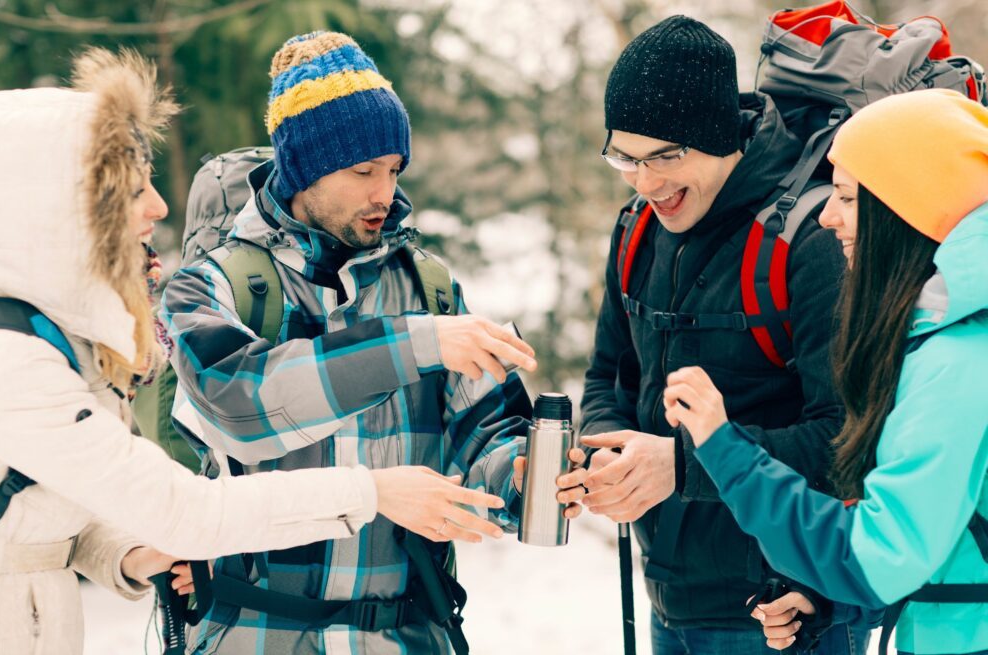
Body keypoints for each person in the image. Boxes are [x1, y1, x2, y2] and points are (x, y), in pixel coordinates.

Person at [0, 48, 511, 655]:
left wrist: (126, 550)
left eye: (394, 169)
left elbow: (33, 512)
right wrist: (373, 491)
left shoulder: (41, 340)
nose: (158, 207)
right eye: (130, 189)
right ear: (48, 208)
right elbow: (191, 496)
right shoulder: (1, 361)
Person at [160, 31, 586, 654]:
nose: (383, 193)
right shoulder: (211, 285)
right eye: (362, 171)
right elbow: (241, 404)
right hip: (254, 635)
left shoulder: (430, 288)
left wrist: (522, 478)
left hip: (405, 636)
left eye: (392, 170)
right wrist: (416, 345)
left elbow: (485, 434)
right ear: (302, 167)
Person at [576, 15, 867, 654]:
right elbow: (608, 374)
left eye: (666, 158)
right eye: (626, 157)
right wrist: (605, 455)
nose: (646, 183)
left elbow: (847, 441)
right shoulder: (636, 231)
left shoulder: (812, 240)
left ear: (721, 138)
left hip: (789, 612)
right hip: (671, 601)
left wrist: (681, 467)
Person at [666, 88, 988, 655]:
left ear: (907, 208)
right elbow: (952, 540)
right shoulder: (946, 340)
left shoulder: (958, 364)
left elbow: (876, 557)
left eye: (846, 196)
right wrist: (832, 600)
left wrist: (725, 448)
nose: (827, 215)